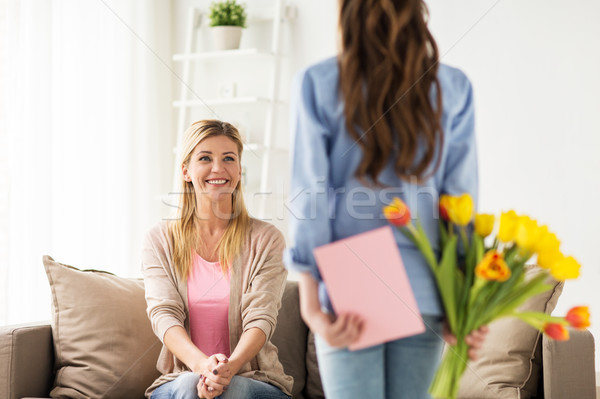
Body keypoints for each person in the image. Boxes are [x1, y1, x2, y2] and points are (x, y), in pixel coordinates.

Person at [285, 1, 487, 398]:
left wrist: (310, 305)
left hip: (351, 279)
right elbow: (461, 206)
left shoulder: (318, 83)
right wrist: (462, 303)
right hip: (425, 284)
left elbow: (310, 199)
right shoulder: (453, 86)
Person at [142, 120, 293, 399]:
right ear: (186, 171)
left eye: (228, 158)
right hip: (181, 380)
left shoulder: (267, 239)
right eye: (205, 158)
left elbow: (261, 317)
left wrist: (228, 369)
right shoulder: (159, 240)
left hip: (253, 380)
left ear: (238, 170)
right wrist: (202, 367)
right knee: (189, 385)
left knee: (231, 390)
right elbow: (163, 315)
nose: (218, 168)